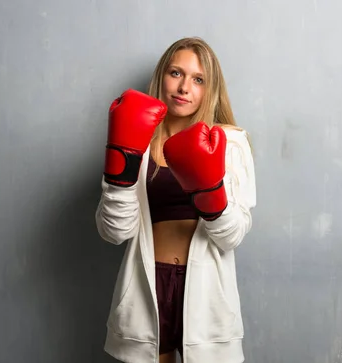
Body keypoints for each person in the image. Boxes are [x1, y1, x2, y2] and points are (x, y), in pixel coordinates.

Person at [95, 37, 257, 363]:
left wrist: (211, 195)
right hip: (146, 287)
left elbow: (233, 235)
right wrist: (120, 170)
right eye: (176, 73)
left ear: (209, 88)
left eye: (198, 79)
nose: (184, 87)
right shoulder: (135, 139)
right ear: (162, 77)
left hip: (207, 291)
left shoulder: (230, 143)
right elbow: (114, 232)